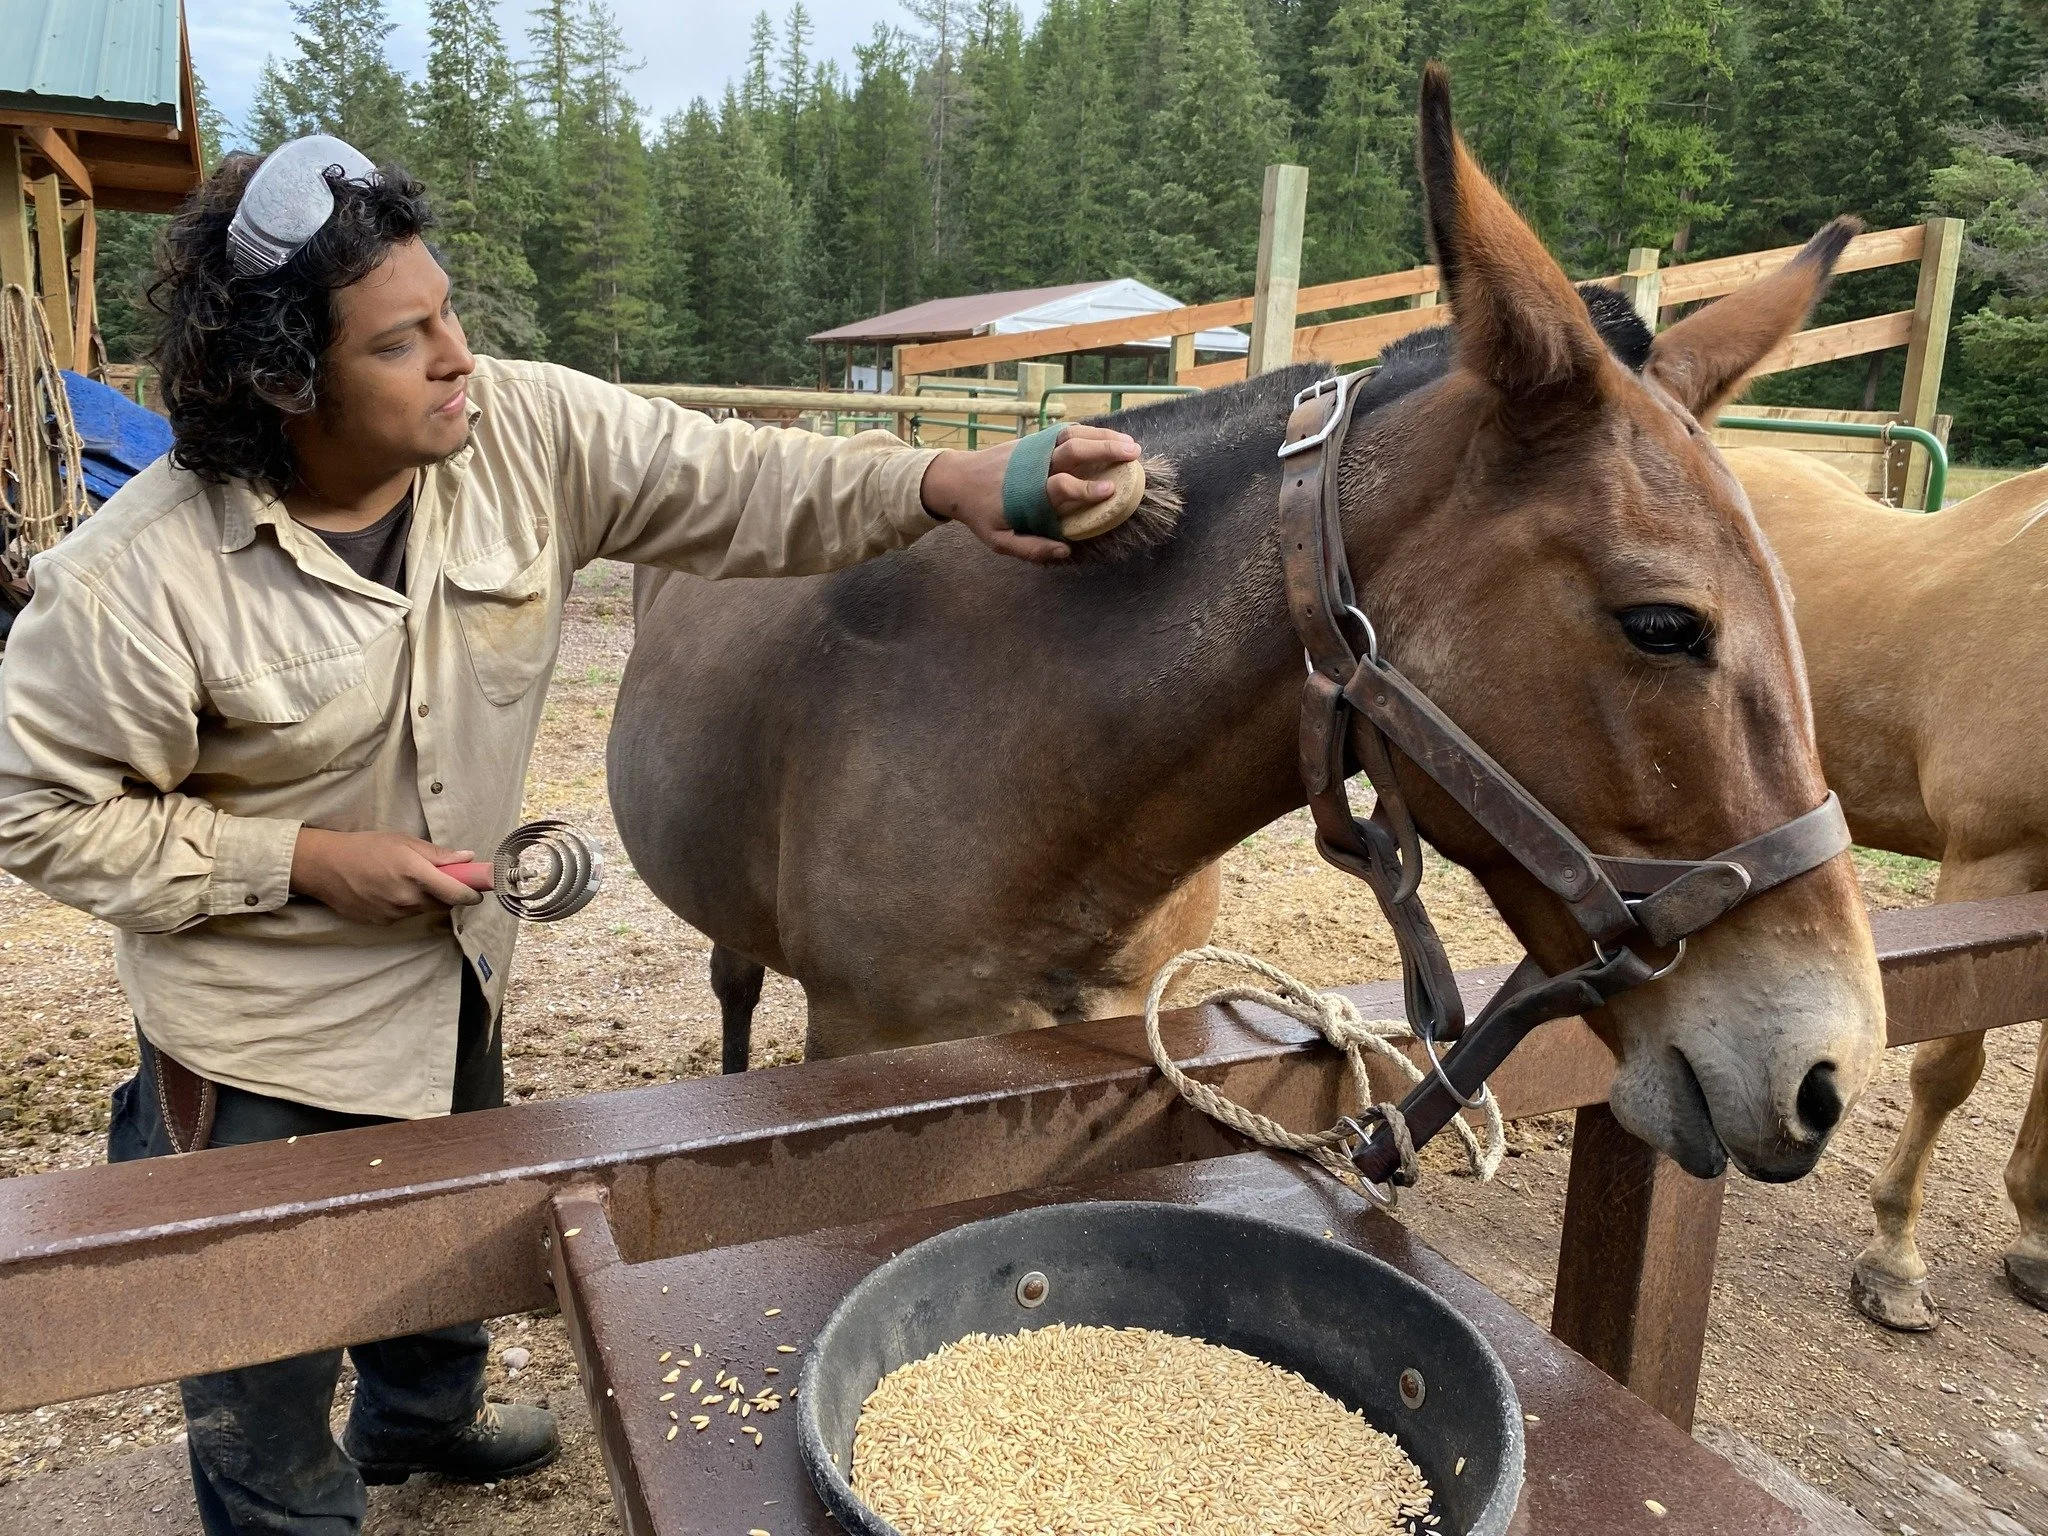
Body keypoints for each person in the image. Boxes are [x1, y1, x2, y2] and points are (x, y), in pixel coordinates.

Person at [0, 136, 1140, 1535]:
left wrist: (950, 486)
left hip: (447, 972)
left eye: (450, 313)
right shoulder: (135, 582)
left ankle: (423, 1422)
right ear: (288, 381)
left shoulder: (524, 436)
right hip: (257, 1043)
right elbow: (41, 813)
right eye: (403, 342)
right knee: (264, 1356)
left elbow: (737, 479)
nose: (456, 358)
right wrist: (299, 863)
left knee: (455, 1203)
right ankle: (292, 1504)